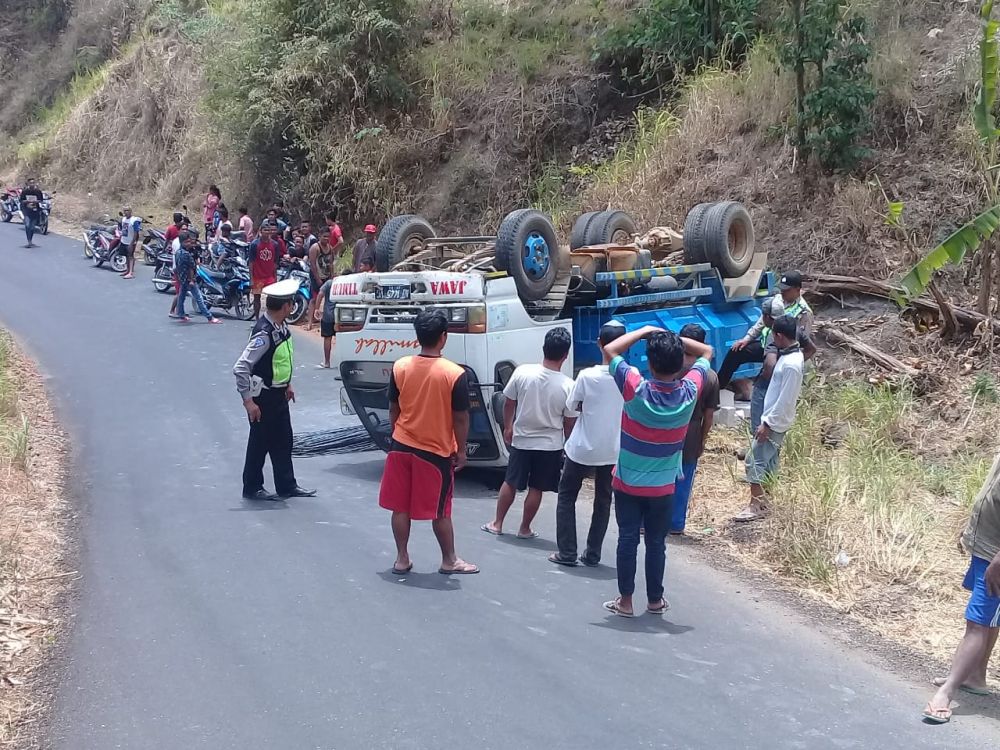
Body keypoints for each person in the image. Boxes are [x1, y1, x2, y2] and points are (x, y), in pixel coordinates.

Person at [601, 325, 713, 618]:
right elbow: (707, 352)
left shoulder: (636, 389)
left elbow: (610, 350)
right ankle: (655, 600)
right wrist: (674, 338)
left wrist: (645, 331)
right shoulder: (689, 392)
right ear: (680, 364)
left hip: (627, 481)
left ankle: (625, 601)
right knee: (656, 544)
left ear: (650, 363)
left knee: (627, 539)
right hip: (663, 486)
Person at [378, 309, 479, 575]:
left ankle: (402, 558)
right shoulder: (454, 374)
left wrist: (397, 433)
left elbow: (393, 408)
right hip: (434, 451)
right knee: (441, 510)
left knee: (400, 507)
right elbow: (460, 418)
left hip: (401, 446)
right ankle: (449, 560)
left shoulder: (400, 366)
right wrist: (462, 450)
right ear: (443, 337)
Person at [924, 455, 1000, 723]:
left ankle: (947, 692)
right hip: (986, 547)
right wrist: (970, 531)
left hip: (996, 555)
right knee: (988, 619)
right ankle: (975, 676)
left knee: (977, 623)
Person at [482, 328, 575, 539]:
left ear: (543, 348)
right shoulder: (568, 386)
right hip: (550, 445)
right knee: (537, 488)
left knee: (511, 481)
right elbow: (569, 423)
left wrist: (508, 426)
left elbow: (509, 403)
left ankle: (497, 523)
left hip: (522, 439)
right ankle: (524, 528)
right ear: (566, 355)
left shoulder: (523, 372)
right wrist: (569, 443)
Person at [548, 321, 626, 567]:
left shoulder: (587, 375)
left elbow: (572, 406)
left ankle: (567, 552)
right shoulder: (630, 377)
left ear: (599, 344)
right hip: (612, 449)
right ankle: (593, 553)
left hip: (582, 447)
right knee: (603, 501)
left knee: (566, 496)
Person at [233, 279, 316, 501]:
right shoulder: (264, 333)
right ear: (286, 306)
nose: (293, 307)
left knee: (283, 440)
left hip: (278, 394)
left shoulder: (280, 327)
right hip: (263, 398)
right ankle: (252, 487)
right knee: (259, 443)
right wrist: (248, 402)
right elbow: (241, 367)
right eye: (291, 304)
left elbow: (279, 360)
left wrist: (286, 384)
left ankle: (287, 485)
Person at [734, 315, 804, 522]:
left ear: (779, 336)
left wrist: (767, 423)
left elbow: (785, 399)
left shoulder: (791, 364)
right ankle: (766, 501)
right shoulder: (792, 355)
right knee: (770, 461)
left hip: (774, 421)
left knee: (753, 459)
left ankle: (756, 505)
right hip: (776, 419)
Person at [718, 270, 813, 392]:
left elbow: (803, 340)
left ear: (797, 289)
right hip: (765, 344)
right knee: (736, 351)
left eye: (786, 290)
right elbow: (761, 322)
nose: (782, 293)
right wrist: (747, 339)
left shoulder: (804, 312)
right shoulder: (778, 299)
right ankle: (718, 388)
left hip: (782, 351)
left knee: (767, 374)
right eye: (781, 289)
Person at [668, 323, 722, 535]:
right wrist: (702, 440)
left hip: (667, 428)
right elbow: (709, 415)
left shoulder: (669, 365)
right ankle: (675, 524)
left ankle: (650, 521)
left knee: (659, 475)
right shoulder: (709, 376)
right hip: (691, 431)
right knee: (683, 480)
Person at [171, 230, 221, 324]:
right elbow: (192, 268)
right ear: (182, 242)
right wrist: (192, 279)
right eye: (187, 242)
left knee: (181, 297)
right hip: (189, 280)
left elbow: (177, 267)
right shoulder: (186, 255)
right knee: (199, 298)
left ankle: (181, 314)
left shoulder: (178, 252)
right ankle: (210, 317)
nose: (189, 243)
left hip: (182, 279)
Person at [248, 222, 281, 319]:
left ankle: (269, 317)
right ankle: (257, 318)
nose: (267, 233)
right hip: (257, 276)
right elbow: (251, 262)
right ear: (260, 231)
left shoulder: (275, 244)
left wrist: (275, 277)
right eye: (265, 230)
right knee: (257, 298)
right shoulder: (254, 244)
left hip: (269, 276)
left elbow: (275, 262)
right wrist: (251, 278)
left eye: (268, 230)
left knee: (271, 298)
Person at [307, 234, 335, 329]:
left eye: (328, 236)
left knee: (328, 298)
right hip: (316, 275)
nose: (326, 238)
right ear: (320, 236)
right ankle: (310, 322)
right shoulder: (315, 248)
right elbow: (312, 264)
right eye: (324, 236)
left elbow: (331, 263)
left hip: (326, 275)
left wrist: (332, 275)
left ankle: (323, 318)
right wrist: (317, 278)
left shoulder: (330, 248)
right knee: (314, 299)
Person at [315, 277, 337, 368]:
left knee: (327, 338)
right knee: (342, 338)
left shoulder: (330, 283)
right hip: (342, 315)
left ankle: (327, 362)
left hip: (328, 315)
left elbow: (320, 294)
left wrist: (317, 308)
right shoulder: (349, 284)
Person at [18, 177, 44, 249]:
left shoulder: (38, 191)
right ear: (28, 183)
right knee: (27, 225)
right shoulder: (25, 191)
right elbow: (21, 200)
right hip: (26, 210)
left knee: (32, 227)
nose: (32, 184)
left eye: (33, 182)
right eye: (31, 183)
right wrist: (27, 201)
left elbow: (41, 200)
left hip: (35, 210)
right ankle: (29, 241)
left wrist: (35, 201)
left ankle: (30, 241)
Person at [119, 205, 142, 280]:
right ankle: (127, 270)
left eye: (127, 210)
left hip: (130, 242)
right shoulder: (123, 219)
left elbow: (136, 232)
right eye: (124, 210)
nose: (126, 212)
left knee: (131, 256)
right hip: (124, 240)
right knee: (126, 256)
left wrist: (132, 243)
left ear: (131, 211)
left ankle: (131, 272)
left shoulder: (134, 221)